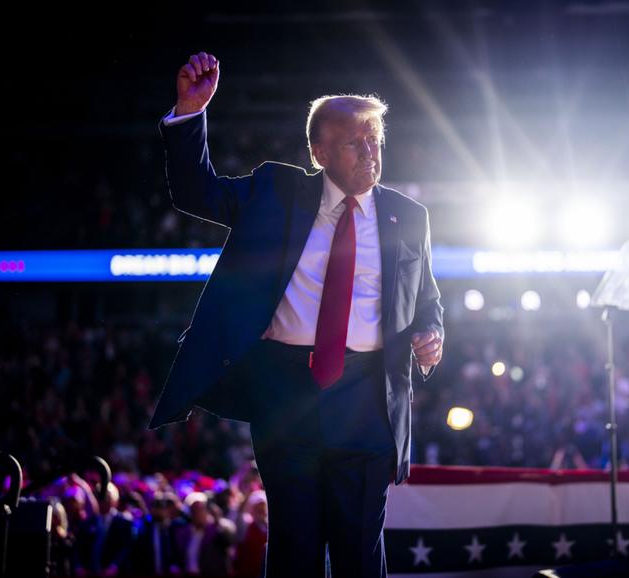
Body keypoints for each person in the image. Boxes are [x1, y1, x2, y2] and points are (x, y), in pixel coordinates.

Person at [148, 51, 444, 577]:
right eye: (355, 141)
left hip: (369, 401)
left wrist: (431, 331)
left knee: (360, 553)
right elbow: (196, 192)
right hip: (286, 395)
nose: (370, 151)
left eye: (375, 139)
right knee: (295, 551)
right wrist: (190, 113)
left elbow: (426, 300)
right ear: (319, 150)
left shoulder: (409, 216)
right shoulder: (276, 192)